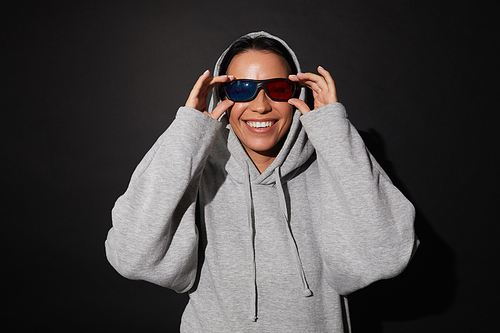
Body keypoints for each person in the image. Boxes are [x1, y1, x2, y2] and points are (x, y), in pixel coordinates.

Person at [105, 31, 418, 332]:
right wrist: (188, 132)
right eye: (242, 88)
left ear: (297, 93)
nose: (261, 105)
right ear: (221, 96)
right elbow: (133, 257)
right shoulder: (196, 170)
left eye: (278, 89)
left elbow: (387, 257)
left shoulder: (334, 163)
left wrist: (334, 132)